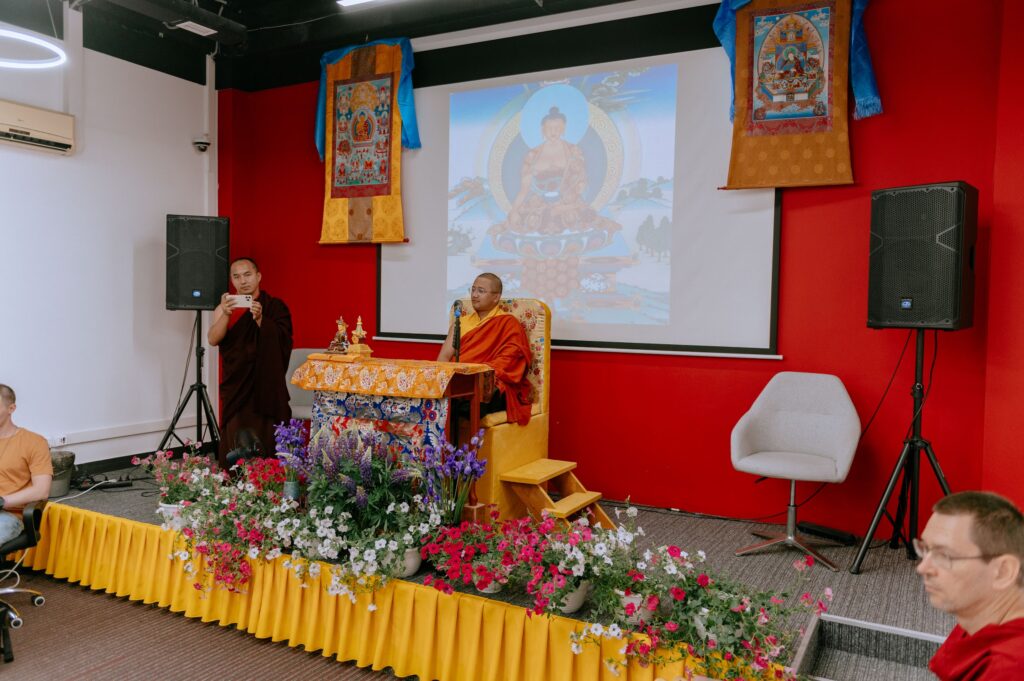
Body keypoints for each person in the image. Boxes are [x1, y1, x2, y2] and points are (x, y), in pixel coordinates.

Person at [916, 491, 1024, 679]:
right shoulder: (976, 616)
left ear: (1003, 571)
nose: (922, 568)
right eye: (924, 548)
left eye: (944, 555)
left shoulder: (1010, 669)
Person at [208, 257, 293, 468]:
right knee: (237, 435)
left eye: (247, 275)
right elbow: (213, 339)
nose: (242, 281)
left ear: (258, 276)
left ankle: (268, 476)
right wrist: (226, 315)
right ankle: (236, 480)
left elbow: (284, 339)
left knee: (265, 436)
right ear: (232, 280)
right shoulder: (224, 308)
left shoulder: (274, 307)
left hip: (265, 384)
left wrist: (261, 320)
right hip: (237, 385)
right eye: (236, 276)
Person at [491, 106, 619, 237]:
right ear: (542, 129)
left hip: (568, 200)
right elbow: (524, 189)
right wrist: (514, 211)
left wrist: (564, 205)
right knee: (523, 219)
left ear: (564, 129)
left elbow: (580, 184)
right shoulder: (532, 155)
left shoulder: (573, 151)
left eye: (558, 128)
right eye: (549, 128)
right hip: (538, 202)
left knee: (582, 216)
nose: (553, 132)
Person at [437, 273, 533, 426]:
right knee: (440, 404)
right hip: (458, 382)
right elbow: (443, 358)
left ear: (496, 297)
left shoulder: (508, 324)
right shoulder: (460, 323)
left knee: (467, 404)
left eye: (481, 291)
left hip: (488, 384)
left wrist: (475, 375)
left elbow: (509, 361)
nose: (474, 295)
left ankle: (455, 448)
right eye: (473, 290)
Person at [0, 385, 53, 545]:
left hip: (9, 515)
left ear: (11, 408)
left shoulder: (34, 442)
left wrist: (1, 501)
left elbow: (41, 490)